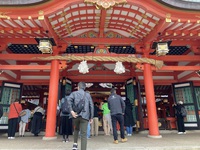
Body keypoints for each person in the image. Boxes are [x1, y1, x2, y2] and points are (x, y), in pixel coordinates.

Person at [67, 82, 94, 150]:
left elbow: (68, 100)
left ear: (78, 87)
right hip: (85, 116)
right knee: (84, 134)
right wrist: (91, 117)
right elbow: (91, 106)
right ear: (84, 88)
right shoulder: (87, 95)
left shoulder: (74, 93)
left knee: (76, 129)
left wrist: (71, 111)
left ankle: (75, 144)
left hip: (75, 115)